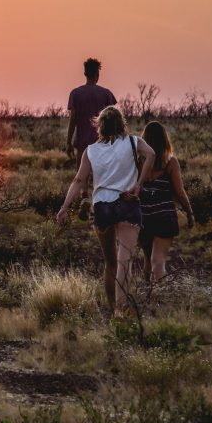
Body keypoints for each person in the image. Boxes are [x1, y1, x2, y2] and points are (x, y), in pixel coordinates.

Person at [57, 106, 155, 317]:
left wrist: (64, 208)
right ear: (122, 124)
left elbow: (78, 180)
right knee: (124, 261)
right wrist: (138, 184)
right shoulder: (132, 142)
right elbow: (151, 155)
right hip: (128, 203)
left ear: (99, 126)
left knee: (110, 263)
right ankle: (120, 309)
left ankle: (113, 309)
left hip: (102, 207)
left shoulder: (90, 151)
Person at [137, 121, 194, 282]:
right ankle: (157, 299)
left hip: (143, 218)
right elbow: (180, 192)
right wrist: (190, 214)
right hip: (164, 218)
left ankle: (146, 298)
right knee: (158, 261)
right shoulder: (170, 162)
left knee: (148, 260)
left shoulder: (139, 163)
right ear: (165, 139)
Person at [66, 59, 117, 216]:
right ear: (97, 74)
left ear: (84, 73)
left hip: (82, 140)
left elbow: (73, 120)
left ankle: (84, 200)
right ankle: (100, 204)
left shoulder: (75, 93)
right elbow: (114, 120)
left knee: (82, 175)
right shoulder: (106, 94)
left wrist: (68, 142)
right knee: (102, 174)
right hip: (103, 142)